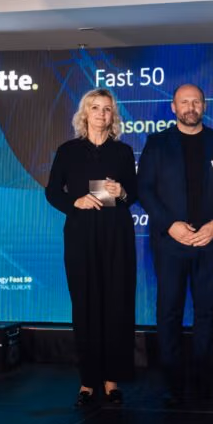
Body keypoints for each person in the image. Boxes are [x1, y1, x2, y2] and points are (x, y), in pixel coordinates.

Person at [137, 83, 213, 406]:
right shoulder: (156, 144)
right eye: (184, 102)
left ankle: (203, 378)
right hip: (170, 244)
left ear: (204, 106)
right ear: (173, 107)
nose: (190, 107)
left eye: (195, 101)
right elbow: (146, 191)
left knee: (206, 313)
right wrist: (171, 226)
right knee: (169, 313)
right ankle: (172, 380)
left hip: (210, 242)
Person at [45, 88, 137, 407]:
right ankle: (87, 381)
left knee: (115, 305)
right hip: (81, 234)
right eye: (95, 108)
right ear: (84, 114)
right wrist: (75, 201)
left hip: (116, 235)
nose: (101, 114)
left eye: (107, 109)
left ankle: (112, 380)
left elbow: (134, 195)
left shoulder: (123, 152)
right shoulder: (68, 150)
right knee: (84, 306)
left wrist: (122, 191)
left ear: (113, 116)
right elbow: (53, 192)